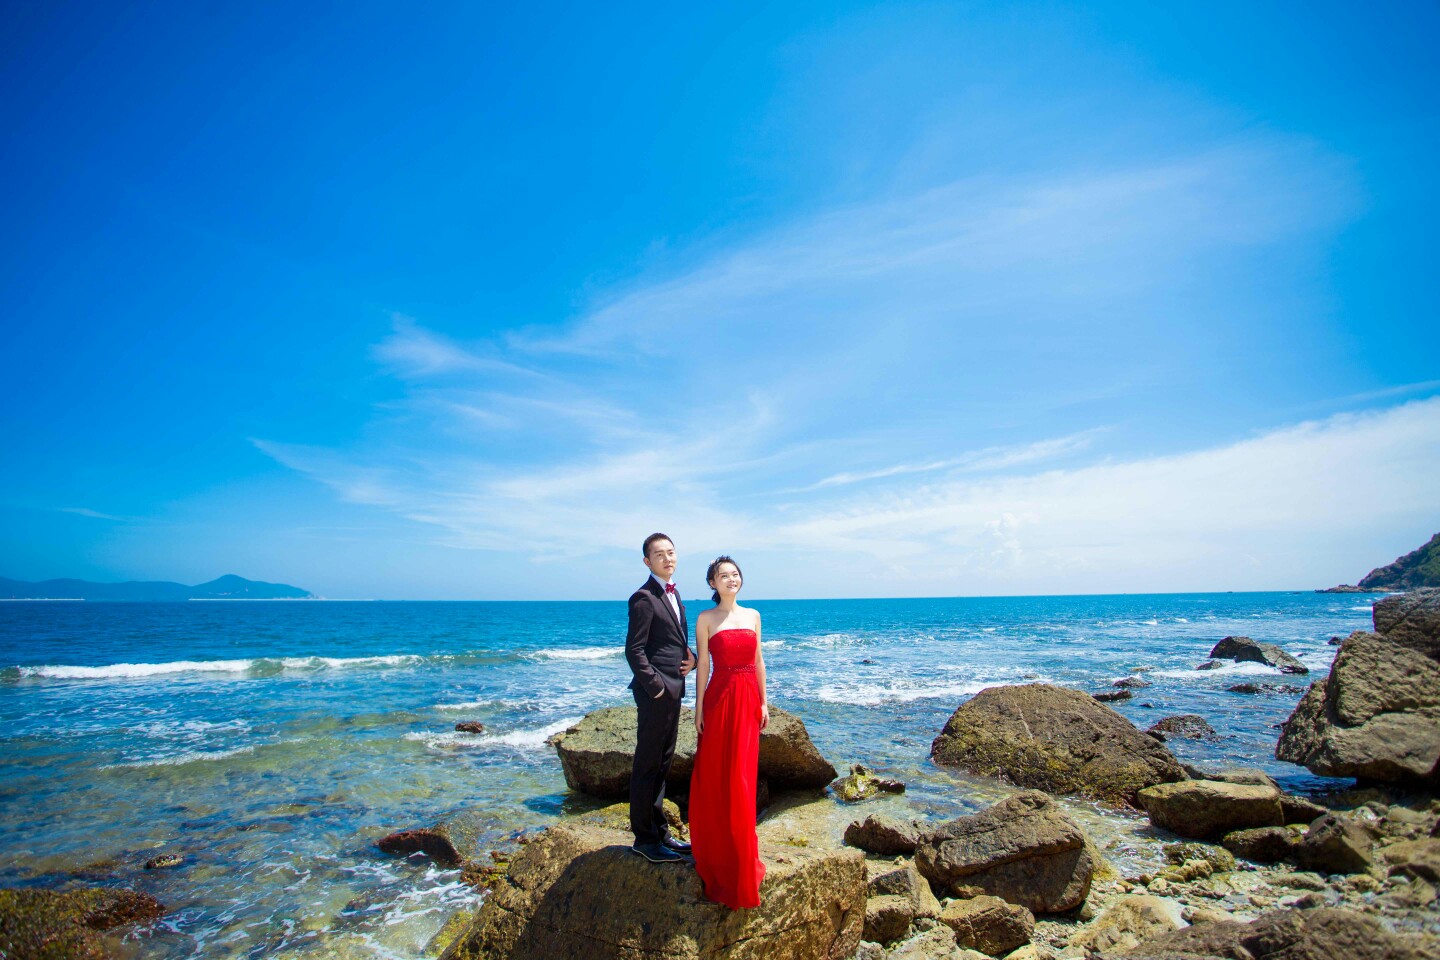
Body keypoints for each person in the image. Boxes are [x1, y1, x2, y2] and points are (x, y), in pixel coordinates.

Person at [687, 555, 767, 908]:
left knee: (743, 778)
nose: (731, 579)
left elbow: (759, 660)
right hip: (719, 699)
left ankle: (742, 857)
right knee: (717, 775)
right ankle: (718, 854)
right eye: (724, 575)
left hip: (748, 700)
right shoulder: (705, 618)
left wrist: (764, 702)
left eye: (735, 574)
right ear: (712, 583)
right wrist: (698, 708)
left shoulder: (754, 616)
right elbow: (704, 664)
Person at [625, 532, 696, 863]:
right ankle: (644, 839)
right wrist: (656, 687)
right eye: (659, 554)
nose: (667, 558)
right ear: (647, 561)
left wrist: (692, 658)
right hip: (657, 693)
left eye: (671, 552)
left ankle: (661, 833)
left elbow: (674, 641)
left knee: (663, 763)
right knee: (647, 765)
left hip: (674, 690)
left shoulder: (673, 593)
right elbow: (634, 650)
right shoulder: (643, 598)